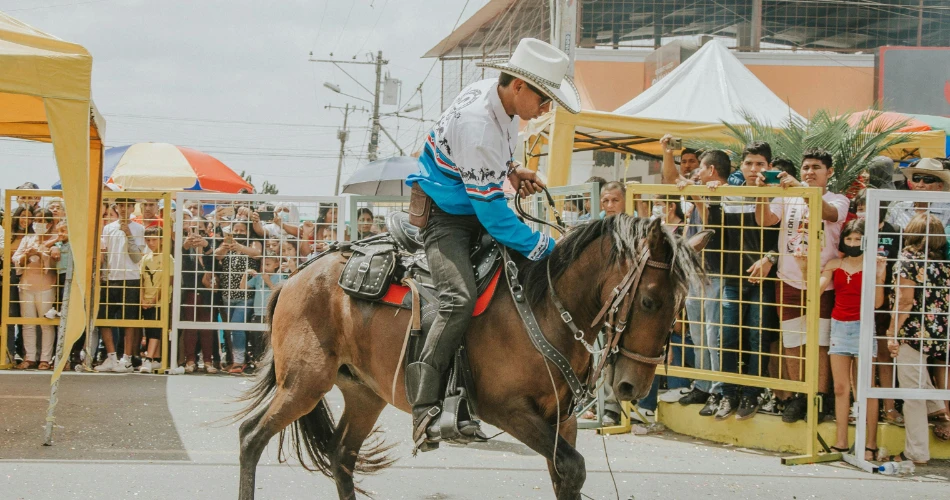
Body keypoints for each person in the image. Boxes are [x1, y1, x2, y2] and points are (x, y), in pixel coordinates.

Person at [403, 37, 578, 451]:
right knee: (458, 299)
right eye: (545, 98)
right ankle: (425, 407)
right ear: (518, 86)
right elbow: (495, 216)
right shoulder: (479, 123)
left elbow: (488, 164)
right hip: (447, 218)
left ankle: (472, 393)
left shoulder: (496, 99)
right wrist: (545, 247)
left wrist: (513, 169)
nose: (547, 108)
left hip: (471, 205)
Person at [754, 148, 849, 423]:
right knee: (793, 342)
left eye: (816, 167)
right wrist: (762, 194)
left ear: (829, 172)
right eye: (806, 167)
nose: (809, 172)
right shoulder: (788, 196)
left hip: (821, 282)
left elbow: (830, 214)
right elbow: (765, 220)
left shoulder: (838, 199)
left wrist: (801, 189)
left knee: (818, 343)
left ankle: (817, 397)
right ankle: (798, 397)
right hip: (789, 280)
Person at [688, 142, 781, 420]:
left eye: (760, 164)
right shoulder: (728, 194)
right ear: (741, 166)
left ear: (769, 167)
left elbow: (780, 238)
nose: (754, 169)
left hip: (762, 281)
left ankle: (751, 395)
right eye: (749, 163)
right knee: (727, 337)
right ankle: (729, 394)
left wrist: (771, 258)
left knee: (756, 337)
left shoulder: (778, 196)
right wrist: (706, 198)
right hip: (731, 277)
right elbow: (714, 232)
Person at [818, 220, 886, 460]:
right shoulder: (835, 263)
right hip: (839, 326)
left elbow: (877, 303)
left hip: (864, 326)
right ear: (843, 240)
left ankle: (870, 444)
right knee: (840, 388)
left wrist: (879, 275)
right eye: (849, 239)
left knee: (865, 388)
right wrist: (804, 266)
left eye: (858, 240)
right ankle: (841, 442)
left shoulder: (872, 264)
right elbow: (816, 290)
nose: (854, 243)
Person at [887, 213, 950, 464]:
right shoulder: (943, 262)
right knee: (919, 378)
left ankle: (916, 452)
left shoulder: (907, 260)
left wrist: (892, 332)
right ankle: (936, 406)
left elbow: (904, 300)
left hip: (912, 331)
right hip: (938, 330)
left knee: (910, 393)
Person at [95, 198, 146, 373]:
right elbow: (104, 253)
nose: (124, 209)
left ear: (133, 208)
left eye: (128, 205)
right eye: (121, 205)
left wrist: (129, 235)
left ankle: (127, 358)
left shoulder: (139, 228)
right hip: (110, 277)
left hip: (131, 277)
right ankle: (111, 357)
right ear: (116, 207)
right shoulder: (108, 228)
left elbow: (138, 257)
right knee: (104, 317)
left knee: (129, 320)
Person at [212, 220, 262, 375]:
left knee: (237, 327)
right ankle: (237, 359)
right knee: (231, 329)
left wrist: (240, 247)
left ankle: (239, 362)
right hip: (227, 295)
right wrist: (225, 247)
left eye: (242, 230)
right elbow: (217, 255)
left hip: (245, 295)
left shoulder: (252, 243)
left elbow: (258, 254)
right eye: (236, 230)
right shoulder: (227, 245)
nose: (239, 232)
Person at [11, 208, 57, 370]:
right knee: (28, 323)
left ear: (50, 223)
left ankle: (45, 357)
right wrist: (26, 255)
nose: (39, 224)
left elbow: (55, 264)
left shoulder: (55, 239)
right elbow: (16, 259)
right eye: (37, 220)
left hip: (46, 286)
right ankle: (30, 356)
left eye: (44, 221)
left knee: (46, 323)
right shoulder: (27, 239)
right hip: (26, 286)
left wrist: (44, 253)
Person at [179, 211, 217, 373]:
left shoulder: (211, 244)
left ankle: (208, 361)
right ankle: (190, 360)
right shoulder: (184, 245)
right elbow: (182, 265)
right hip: (190, 291)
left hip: (208, 292)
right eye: (193, 228)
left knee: (207, 328)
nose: (196, 233)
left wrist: (206, 246)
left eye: (200, 229)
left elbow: (215, 265)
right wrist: (186, 247)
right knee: (190, 327)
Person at [138, 226, 167, 373]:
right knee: (149, 330)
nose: (151, 243)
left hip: (160, 301)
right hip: (146, 300)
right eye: (148, 240)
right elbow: (142, 280)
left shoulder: (167, 258)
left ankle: (148, 359)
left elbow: (167, 282)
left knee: (156, 328)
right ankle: (155, 358)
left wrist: (156, 299)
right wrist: (143, 298)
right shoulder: (145, 258)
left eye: (154, 239)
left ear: (161, 240)